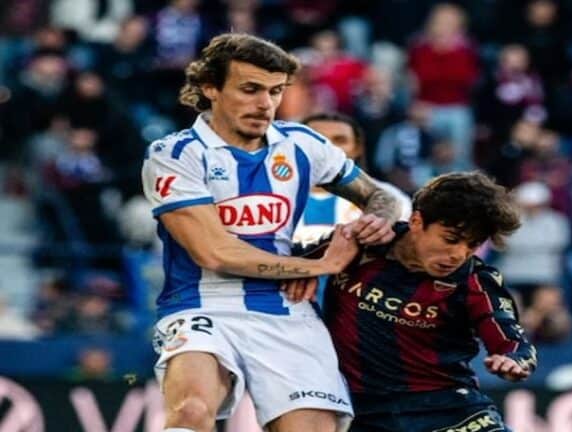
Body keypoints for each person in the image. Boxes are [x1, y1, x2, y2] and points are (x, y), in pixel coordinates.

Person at [141, 33, 401, 432]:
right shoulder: (176, 154)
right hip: (201, 305)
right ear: (210, 87)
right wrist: (315, 266)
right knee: (191, 411)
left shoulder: (302, 144)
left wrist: (372, 223)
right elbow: (214, 252)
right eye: (250, 89)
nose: (265, 104)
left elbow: (380, 197)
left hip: (286, 308)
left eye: (276, 91)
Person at [287, 172, 537, 432]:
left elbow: (512, 340)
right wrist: (305, 270)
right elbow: (289, 260)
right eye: (450, 239)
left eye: (472, 245)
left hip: (450, 410)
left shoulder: (476, 281)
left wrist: (513, 360)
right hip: (365, 414)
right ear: (416, 221)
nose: (459, 254)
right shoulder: (362, 244)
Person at [292, 112, 412, 306]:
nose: (328, 148)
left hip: (357, 300)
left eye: (340, 140)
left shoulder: (390, 198)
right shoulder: (269, 193)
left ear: (357, 149)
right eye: (318, 140)